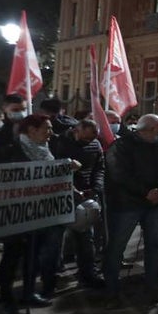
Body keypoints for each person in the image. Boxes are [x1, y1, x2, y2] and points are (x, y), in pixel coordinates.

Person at [0, 114, 73, 312]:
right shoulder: (10, 151)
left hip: (40, 214)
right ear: (31, 130)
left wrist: (67, 168)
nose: (51, 133)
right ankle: (6, 298)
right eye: (46, 128)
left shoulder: (47, 150)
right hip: (15, 215)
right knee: (12, 257)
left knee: (34, 255)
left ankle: (29, 292)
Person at [103, 113, 158, 308]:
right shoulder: (121, 146)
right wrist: (146, 192)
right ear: (149, 129)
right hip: (126, 205)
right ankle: (112, 292)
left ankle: (152, 286)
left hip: (155, 204)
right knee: (117, 247)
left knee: (155, 246)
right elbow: (119, 174)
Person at [53, 118, 106, 289]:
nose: (89, 141)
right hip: (61, 195)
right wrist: (70, 188)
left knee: (85, 236)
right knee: (55, 238)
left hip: (86, 197)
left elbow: (99, 168)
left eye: (93, 138)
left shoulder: (95, 145)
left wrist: (96, 187)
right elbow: (53, 168)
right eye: (86, 138)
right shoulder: (59, 142)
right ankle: (51, 275)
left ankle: (88, 274)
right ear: (77, 130)